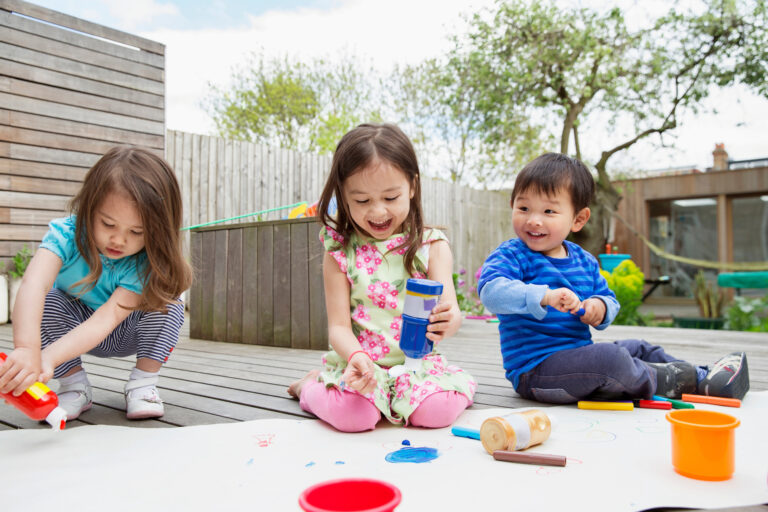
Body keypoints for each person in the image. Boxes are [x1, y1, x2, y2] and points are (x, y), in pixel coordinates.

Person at [478, 152, 749, 404]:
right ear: (512, 205)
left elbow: (608, 298)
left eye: (549, 212)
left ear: (578, 219)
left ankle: (703, 376)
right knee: (610, 359)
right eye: (524, 208)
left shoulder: (584, 260)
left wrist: (599, 307)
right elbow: (491, 292)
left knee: (637, 347)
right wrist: (544, 296)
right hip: (536, 372)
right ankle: (678, 381)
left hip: (578, 361)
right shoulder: (512, 255)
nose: (534, 220)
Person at [287, 123, 477, 431]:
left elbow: (451, 311)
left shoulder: (432, 246)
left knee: (435, 415)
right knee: (356, 418)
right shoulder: (340, 251)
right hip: (361, 365)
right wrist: (356, 356)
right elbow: (337, 327)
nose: (378, 211)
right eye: (362, 200)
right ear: (343, 195)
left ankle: (447, 389)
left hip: (416, 367)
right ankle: (309, 388)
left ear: (412, 186)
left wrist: (449, 320)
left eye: (391, 197)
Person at [0, 147, 193, 420]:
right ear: (89, 207)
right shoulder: (66, 235)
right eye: (107, 224)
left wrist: (46, 358)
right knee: (52, 300)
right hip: (75, 329)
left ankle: (143, 385)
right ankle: (74, 386)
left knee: (168, 304)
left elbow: (107, 318)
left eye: (136, 232)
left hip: (126, 329)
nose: (119, 241)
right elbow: (34, 284)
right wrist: (27, 349)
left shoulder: (147, 261)